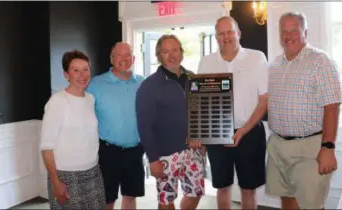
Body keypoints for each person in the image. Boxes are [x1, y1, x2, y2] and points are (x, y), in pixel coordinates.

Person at [266, 12, 342, 210]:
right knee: (287, 199)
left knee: (311, 204)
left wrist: (328, 147)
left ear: (305, 33)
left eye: (294, 30)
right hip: (278, 146)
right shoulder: (274, 65)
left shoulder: (320, 61)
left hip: (310, 149)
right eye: (284, 31)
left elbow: (332, 106)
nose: (288, 35)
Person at [197, 16, 268, 209]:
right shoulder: (206, 62)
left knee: (248, 188)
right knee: (222, 186)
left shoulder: (257, 58)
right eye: (221, 33)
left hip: (250, 132)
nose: (226, 36)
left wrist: (243, 130)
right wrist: (202, 137)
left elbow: (264, 100)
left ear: (239, 33)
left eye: (229, 31)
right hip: (217, 134)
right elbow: (202, 104)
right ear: (216, 37)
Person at [136, 34, 205, 210]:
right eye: (165, 51)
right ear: (159, 55)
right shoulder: (149, 85)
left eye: (175, 50)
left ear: (181, 53)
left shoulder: (193, 78)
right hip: (165, 154)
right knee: (166, 201)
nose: (171, 55)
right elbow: (144, 125)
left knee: (195, 194)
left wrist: (202, 137)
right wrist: (152, 159)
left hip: (193, 150)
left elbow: (201, 112)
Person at [40, 50, 106, 209]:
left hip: (93, 172)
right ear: (66, 74)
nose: (82, 75)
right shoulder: (57, 102)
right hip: (66, 176)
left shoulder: (90, 99)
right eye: (75, 70)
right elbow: (46, 148)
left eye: (85, 69)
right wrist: (56, 182)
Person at [87, 42, 145, 210]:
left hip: (135, 150)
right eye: (119, 55)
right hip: (108, 152)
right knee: (107, 198)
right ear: (112, 59)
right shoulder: (96, 84)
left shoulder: (142, 83)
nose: (124, 59)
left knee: (130, 195)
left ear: (133, 59)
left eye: (128, 55)